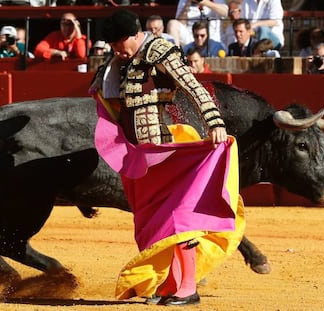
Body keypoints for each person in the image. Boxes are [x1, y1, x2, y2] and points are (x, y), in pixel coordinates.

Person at [89, 9, 245, 306]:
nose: (116, 50)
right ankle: (171, 284)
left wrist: (215, 122)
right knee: (157, 222)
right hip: (141, 156)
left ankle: (188, 287)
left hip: (166, 152)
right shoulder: (119, 63)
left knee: (178, 219)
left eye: (119, 43)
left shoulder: (159, 50)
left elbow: (192, 85)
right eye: (111, 45)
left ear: (135, 35)